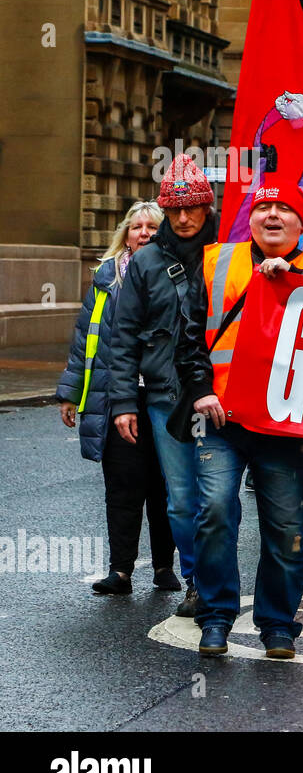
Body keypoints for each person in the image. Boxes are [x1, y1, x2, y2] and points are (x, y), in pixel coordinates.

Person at [175, 183, 303, 659]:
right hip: (219, 417)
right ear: (250, 220)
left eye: (284, 209)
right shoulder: (214, 262)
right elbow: (188, 337)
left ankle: (277, 625)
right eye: (263, 207)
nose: (272, 215)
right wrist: (201, 390)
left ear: (301, 222)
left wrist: (295, 282)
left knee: (287, 525)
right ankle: (215, 618)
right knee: (213, 513)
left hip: (284, 427)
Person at [108, 156, 218, 617]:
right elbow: (123, 333)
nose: (185, 218)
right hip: (163, 399)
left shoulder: (229, 252)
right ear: (166, 211)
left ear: (207, 208)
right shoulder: (147, 261)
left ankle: (215, 581)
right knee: (180, 501)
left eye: (193, 208)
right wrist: (120, 403)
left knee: (216, 501)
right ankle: (196, 581)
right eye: (176, 210)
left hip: (222, 398)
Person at [58, 201, 177, 595]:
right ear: (124, 235)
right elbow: (83, 342)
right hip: (116, 397)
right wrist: (70, 393)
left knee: (165, 487)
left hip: (162, 397)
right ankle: (121, 571)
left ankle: (164, 567)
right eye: (135, 226)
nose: (143, 232)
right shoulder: (105, 279)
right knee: (123, 487)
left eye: (151, 227)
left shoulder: (177, 274)